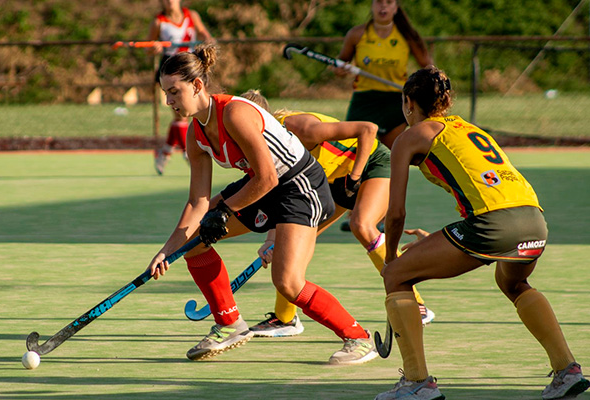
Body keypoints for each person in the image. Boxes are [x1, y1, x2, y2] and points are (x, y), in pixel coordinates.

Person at [147, 44, 378, 365]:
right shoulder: (195, 134)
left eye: (174, 92)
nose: (169, 101)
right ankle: (229, 323)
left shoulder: (235, 113)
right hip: (263, 186)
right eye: (165, 94)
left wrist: (224, 212)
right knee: (194, 244)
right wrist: (168, 249)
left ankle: (358, 337)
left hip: (301, 185)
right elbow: (197, 201)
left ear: (197, 85)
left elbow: (268, 177)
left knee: (288, 282)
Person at [374, 65, 589, 400]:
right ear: (445, 101)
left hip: (492, 225)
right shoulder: (468, 128)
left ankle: (417, 383)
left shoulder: (410, 136)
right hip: (535, 220)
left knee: (398, 276)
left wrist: (390, 261)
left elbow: (396, 213)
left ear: (408, 103)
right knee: (513, 282)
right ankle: (567, 370)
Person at [239, 90, 435, 340]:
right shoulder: (262, 147)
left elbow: (368, 129)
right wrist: (271, 240)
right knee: (290, 242)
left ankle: (414, 305)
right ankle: (285, 318)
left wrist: (354, 177)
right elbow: (282, 197)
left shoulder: (299, 127)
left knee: (362, 225)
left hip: (372, 163)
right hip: (331, 180)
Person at [335, 0, 432, 232]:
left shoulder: (406, 36)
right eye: (379, 2)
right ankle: (355, 212)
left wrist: (419, 86)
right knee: (356, 156)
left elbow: (427, 66)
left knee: (392, 159)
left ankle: (388, 215)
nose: (383, 7)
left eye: (389, 2)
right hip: (364, 101)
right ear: (372, 5)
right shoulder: (358, 34)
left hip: (395, 101)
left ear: (396, 7)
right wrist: (342, 68)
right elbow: (339, 66)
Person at [147, 0, 212, 175]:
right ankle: (188, 153)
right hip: (170, 72)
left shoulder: (192, 15)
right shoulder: (158, 21)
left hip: (189, 69)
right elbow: (149, 47)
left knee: (184, 117)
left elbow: (204, 34)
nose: (169, 2)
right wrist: (155, 47)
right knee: (181, 115)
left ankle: (166, 152)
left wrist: (207, 44)